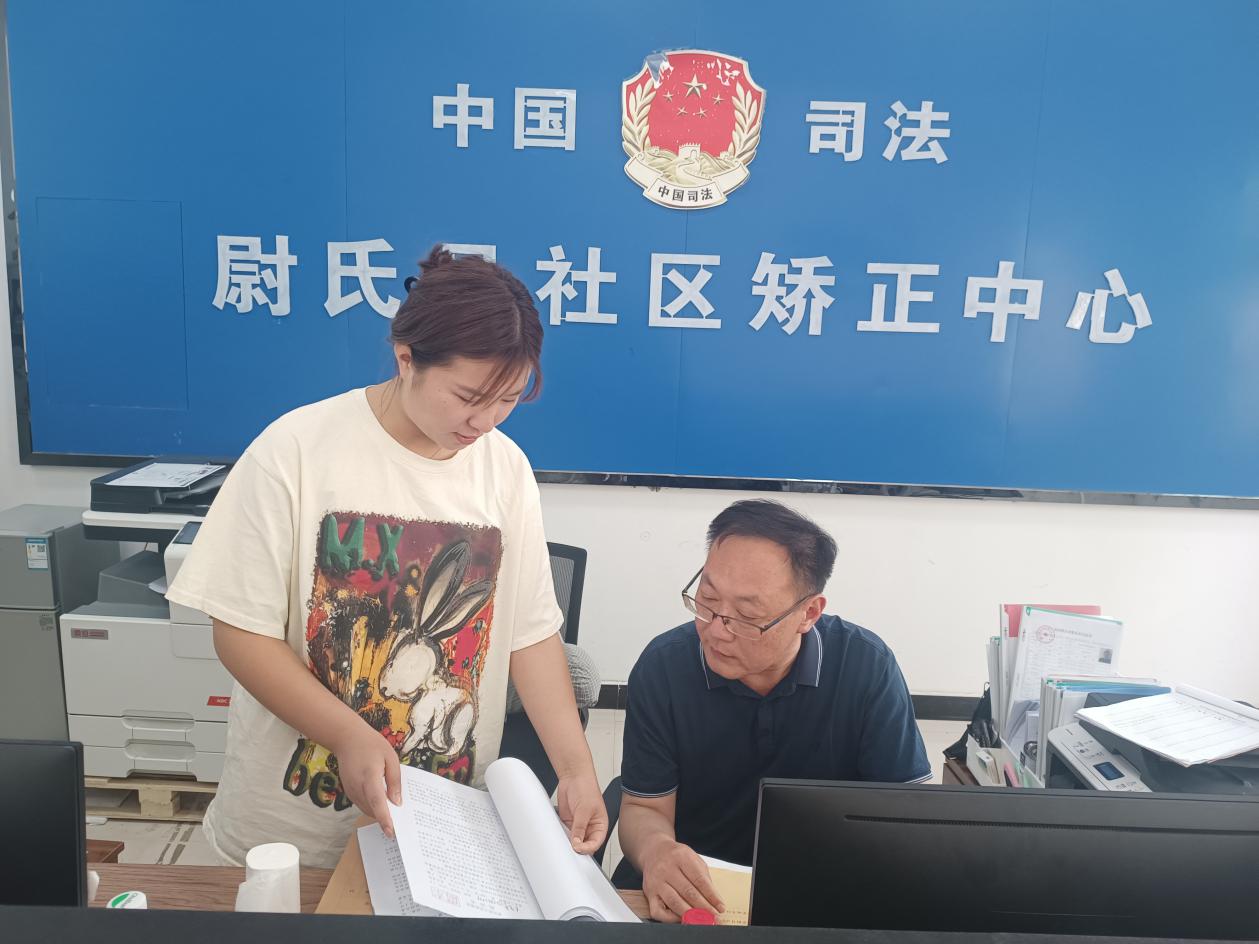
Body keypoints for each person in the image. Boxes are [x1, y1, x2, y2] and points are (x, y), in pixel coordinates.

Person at [166, 246, 606, 869]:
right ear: (406, 358)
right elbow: (240, 634)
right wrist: (348, 733)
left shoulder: (506, 469)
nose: (485, 421)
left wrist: (577, 769)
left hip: (437, 827)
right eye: (468, 396)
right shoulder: (297, 450)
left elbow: (530, 635)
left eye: (508, 399)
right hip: (288, 829)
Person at [615, 499, 929, 922]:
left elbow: (909, 819)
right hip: (692, 899)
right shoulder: (663, 667)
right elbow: (645, 808)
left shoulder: (866, 667)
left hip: (824, 898)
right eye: (707, 598)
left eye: (747, 616)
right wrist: (656, 851)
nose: (716, 630)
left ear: (808, 613)